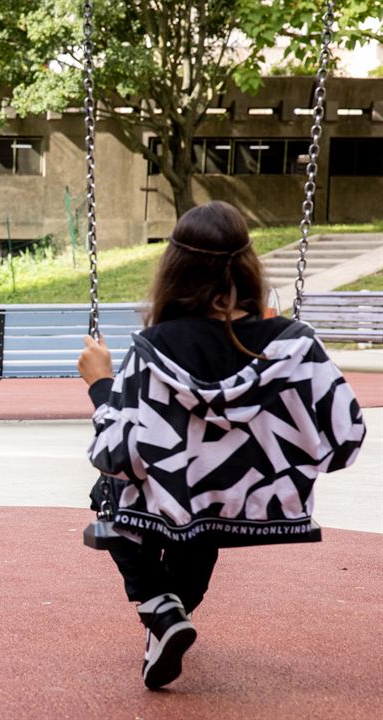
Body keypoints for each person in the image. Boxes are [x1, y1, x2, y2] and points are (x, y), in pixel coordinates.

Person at [77, 201, 365, 691]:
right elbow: (346, 439)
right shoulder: (294, 345)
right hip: (252, 507)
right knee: (206, 507)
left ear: (174, 270)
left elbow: (115, 454)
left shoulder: (154, 350)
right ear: (250, 267)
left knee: (110, 493)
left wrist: (101, 385)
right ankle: (172, 616)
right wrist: (276, 459)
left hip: (172, 503)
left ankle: (159, 604)